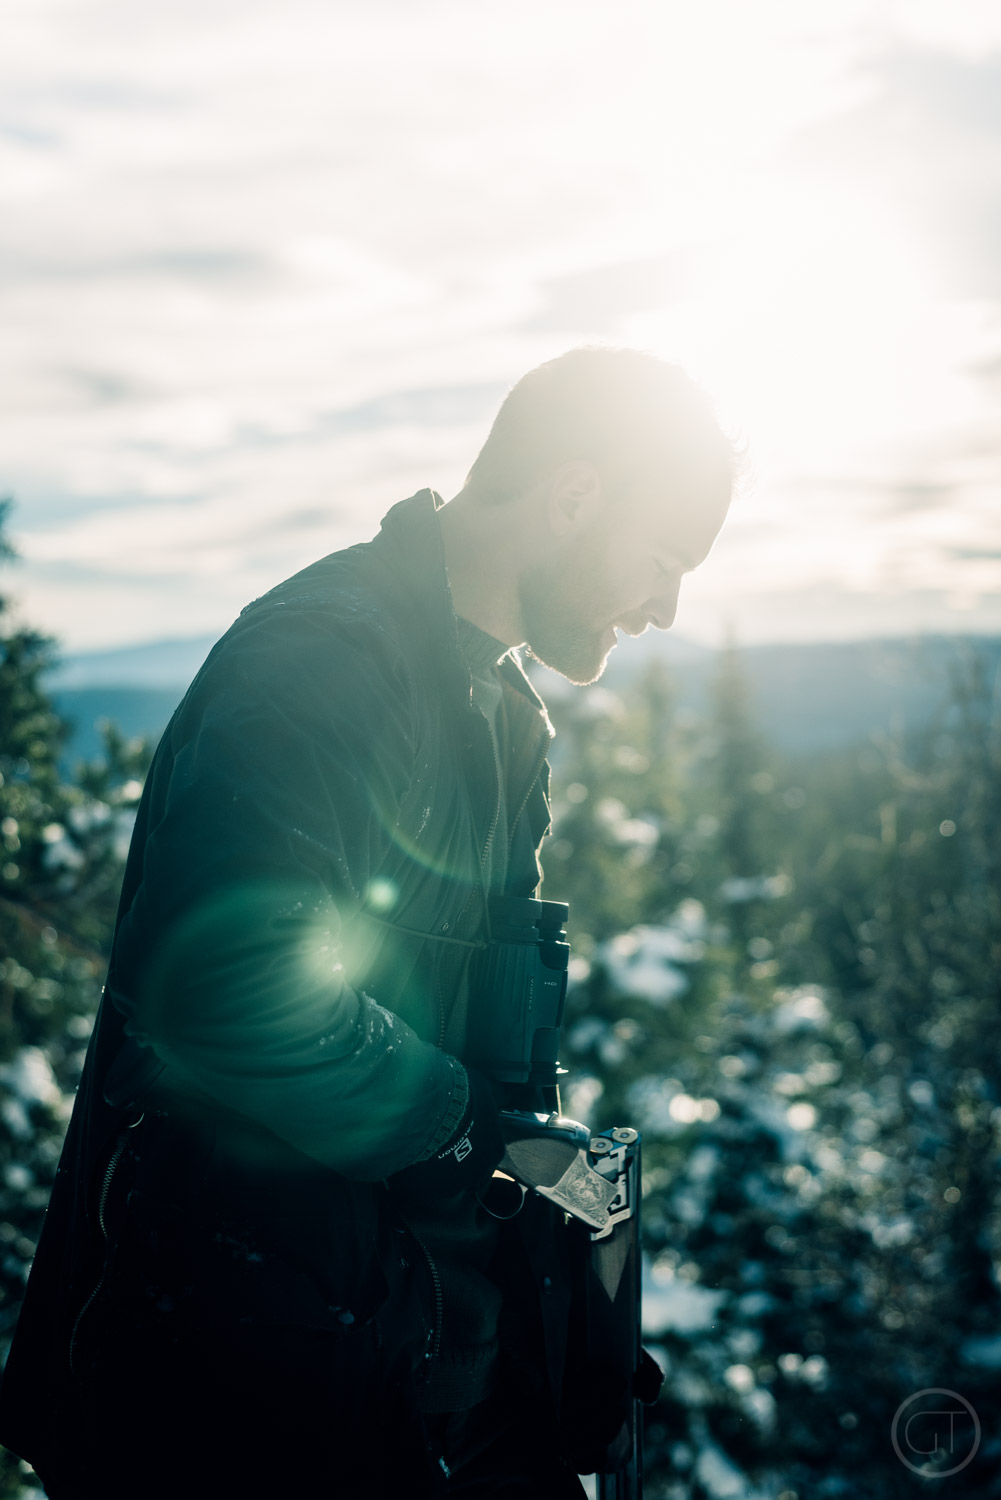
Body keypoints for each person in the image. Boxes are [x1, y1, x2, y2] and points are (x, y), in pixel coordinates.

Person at [0, 347, 733, 1498]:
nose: (663, 609)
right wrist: (455, 1132)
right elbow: (226, 988)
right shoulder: (320, 663)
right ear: (573, 498)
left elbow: (462, 1058)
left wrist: (541, 1306)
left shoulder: (499, 717)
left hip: (376, 1363)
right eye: (660, 560)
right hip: (220, 1388)